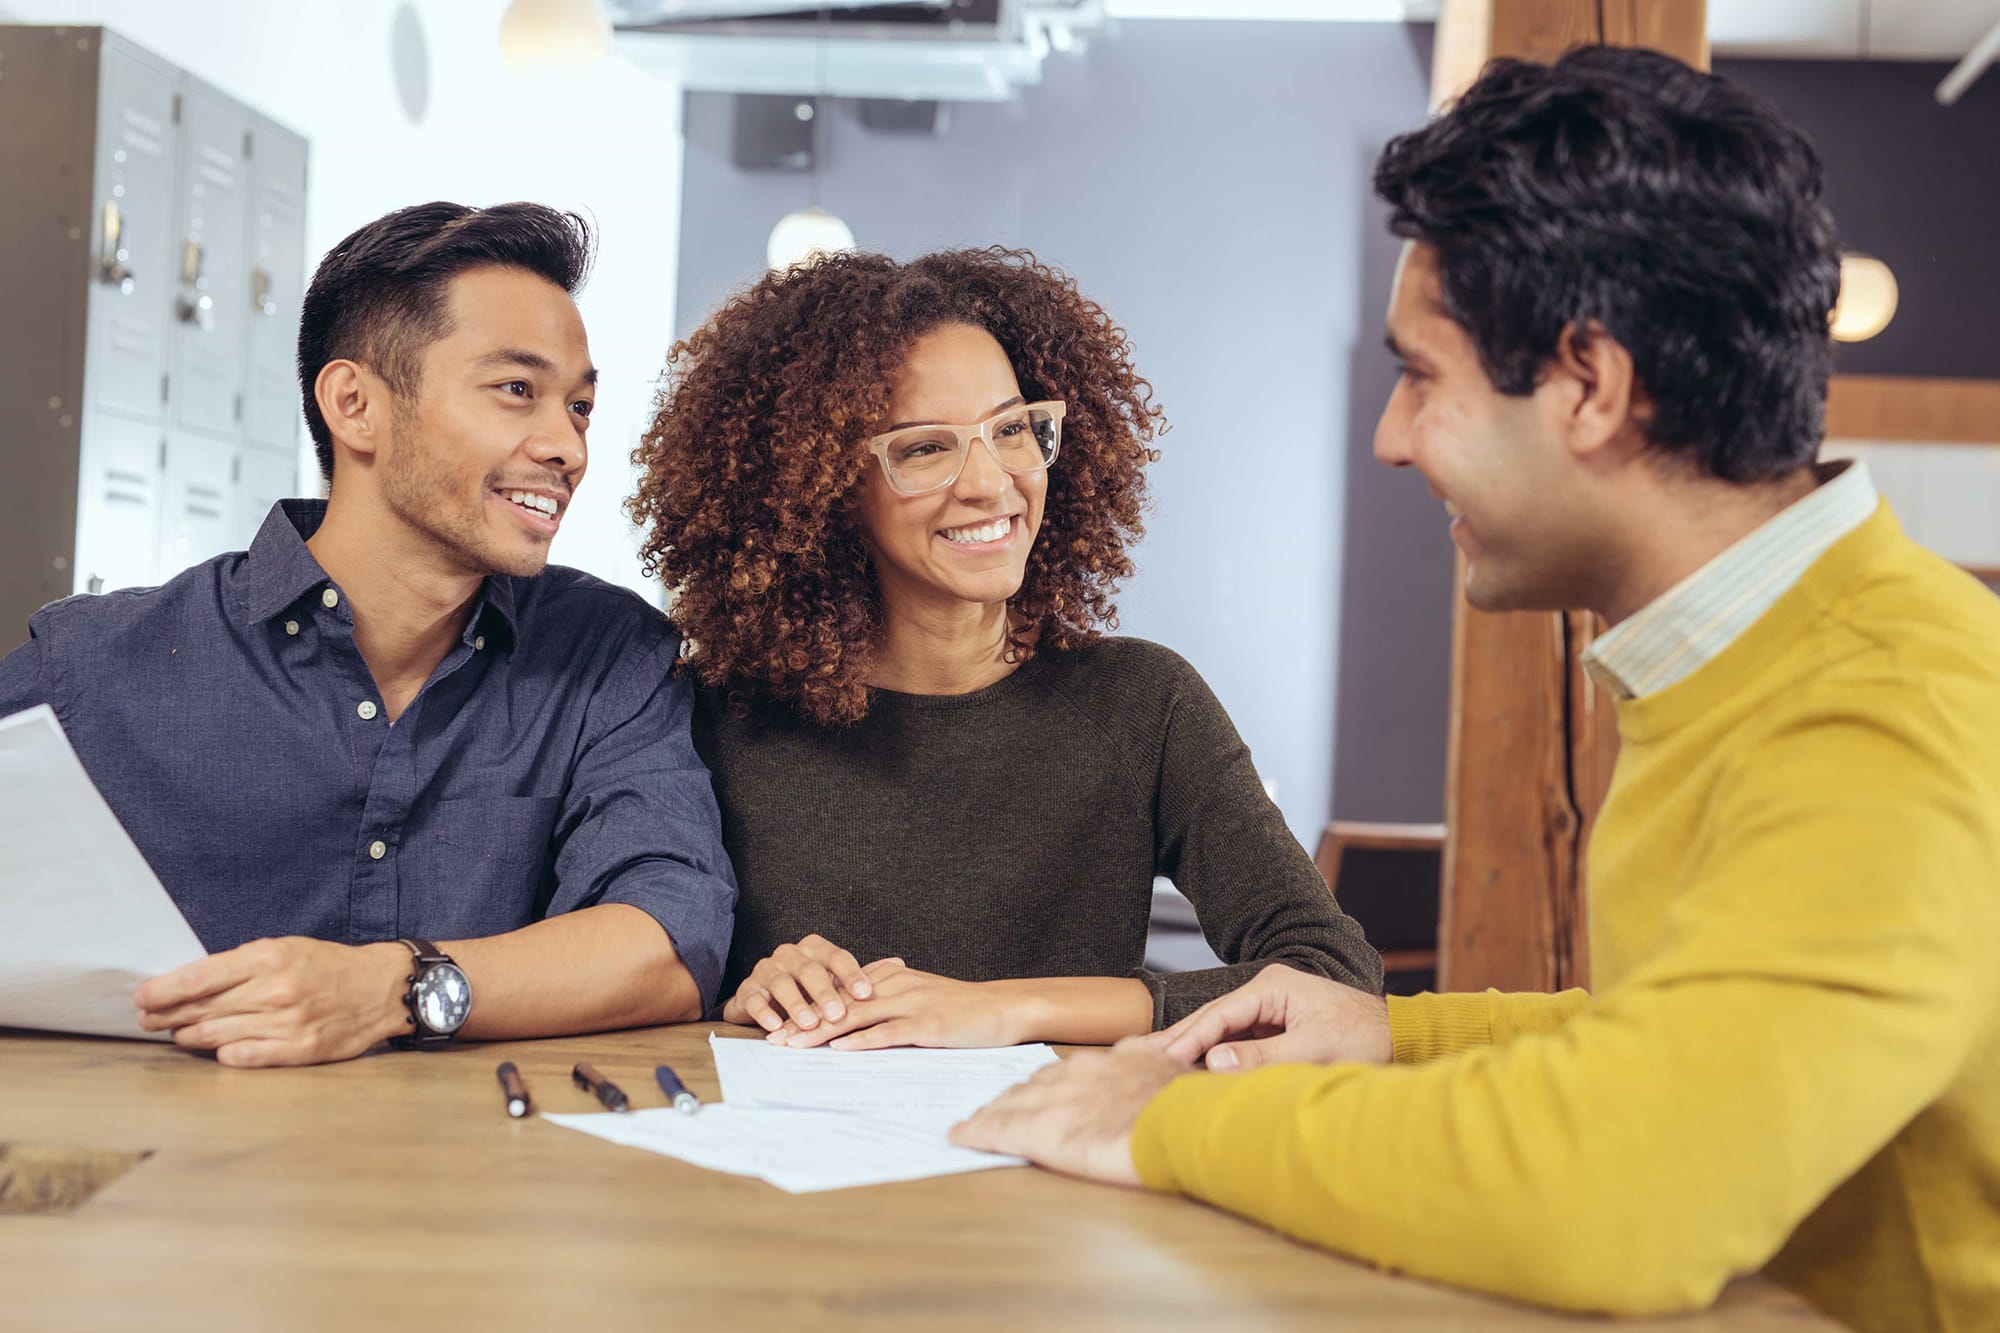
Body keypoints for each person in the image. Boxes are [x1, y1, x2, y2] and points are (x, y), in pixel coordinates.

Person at [951, 47, 2000, 1333]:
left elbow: (1625, 1184)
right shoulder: (1772, 653)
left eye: (1421, 376)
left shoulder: (1876, 710)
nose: (1392, 437)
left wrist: (1180, 1116)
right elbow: (1689, 1034)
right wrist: (1389, 1034)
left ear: (1588, 385)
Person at [0, 201, 737, 1067]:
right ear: (355, 405)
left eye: (579, 406)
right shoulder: (93, 665)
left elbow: (671, 938)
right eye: (516, 391)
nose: (567, 446)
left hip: (485, 1182)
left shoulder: (609, 653)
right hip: (179, 1180)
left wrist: (395, 988)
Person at [628, 248, 1381, 1049]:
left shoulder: (1143, 704)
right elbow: (646, 970)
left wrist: (1007, 1008)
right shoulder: (716, 717)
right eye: (924, 447)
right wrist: (742, 990)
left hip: (1053, 1159)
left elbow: (1331, 975)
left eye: (1014, 428)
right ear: (820, 488)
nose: (992, 482)